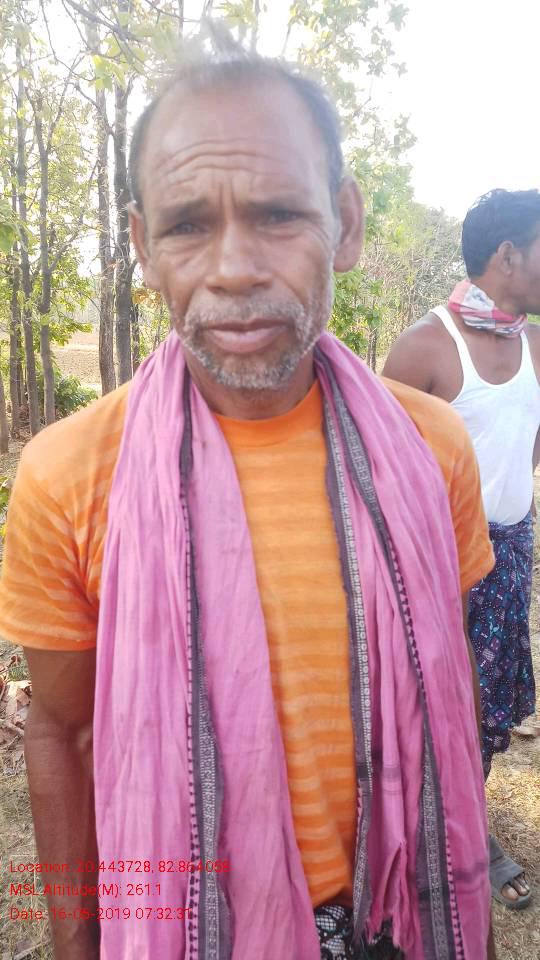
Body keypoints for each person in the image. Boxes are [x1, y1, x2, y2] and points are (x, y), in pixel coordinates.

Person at [0, 38, 496, 960]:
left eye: (277, 213)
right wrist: (76, 942)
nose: (234, 267)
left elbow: (446, 681)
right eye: (188, 224)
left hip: (395, 918)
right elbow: (62, 734)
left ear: (345, 225)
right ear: (144, 248)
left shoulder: (431, 448)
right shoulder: (69, 473)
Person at [383, 188, 540, 912]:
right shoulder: (426, 346)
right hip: (438, 565)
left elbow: (524, 450)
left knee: (490, 705)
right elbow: (375, 469)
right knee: (428, 701)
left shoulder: (534, 344)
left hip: (509, 553)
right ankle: (419, 833)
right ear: (508, 255)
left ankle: (466, 825)